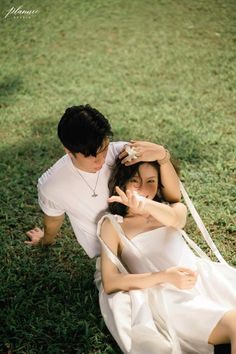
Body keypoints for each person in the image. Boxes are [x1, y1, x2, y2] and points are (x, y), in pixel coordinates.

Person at [97, 158, 236, 354]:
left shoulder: (174, 208)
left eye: (151, 181)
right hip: (169, 295)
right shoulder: (112, 225)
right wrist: (165, 276)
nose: (143, 187)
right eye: (135, 180)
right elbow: (110, 282)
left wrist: (145, 205)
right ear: (124, 181)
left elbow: (175, 220)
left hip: (205, 280)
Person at [25, 104, 181, 258]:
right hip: (110, 254)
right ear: (68, 151)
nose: (100, 161)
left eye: (104, 150)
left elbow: (173, 197)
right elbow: (53, 220)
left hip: (149, 237)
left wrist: (163, 156)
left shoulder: (124, 153)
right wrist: (45, 240)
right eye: (91, 156)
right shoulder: (52, 184)